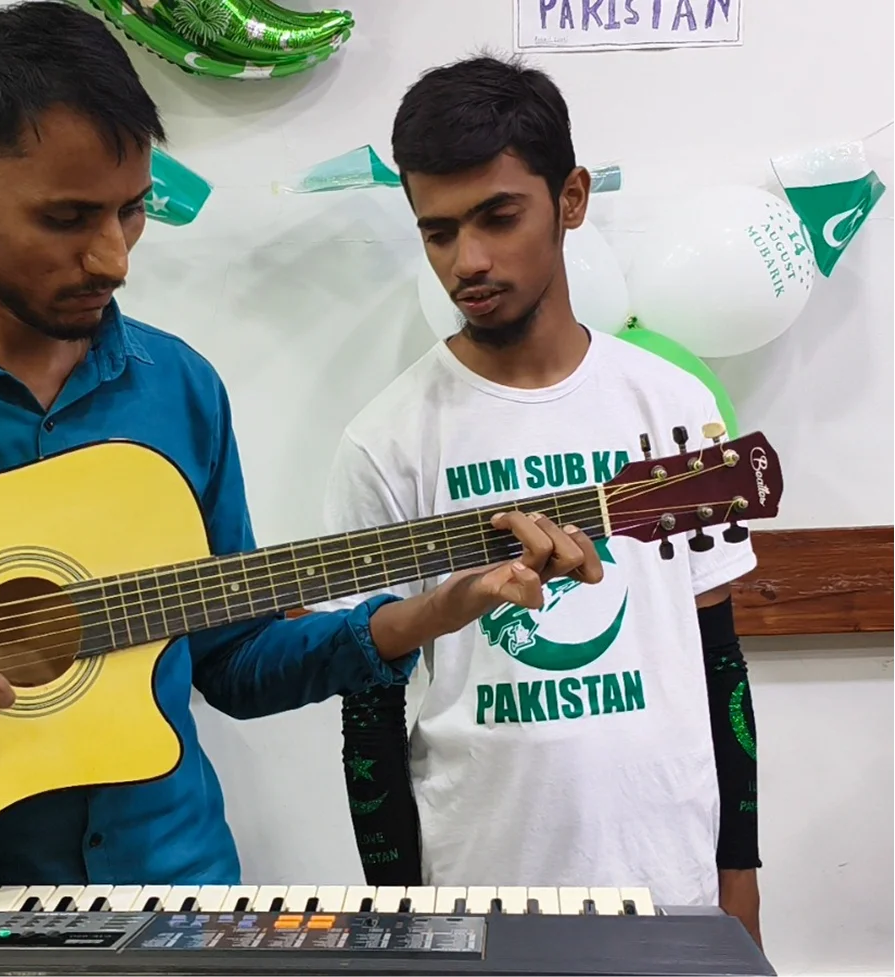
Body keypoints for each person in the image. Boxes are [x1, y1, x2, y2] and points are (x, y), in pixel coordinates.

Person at [0, 4, 603, 889]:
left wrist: (435, 609)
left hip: (167, 887)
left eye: (131, 211)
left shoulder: (179, 389)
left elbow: (232, 662)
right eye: (66, 218)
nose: (113, 258)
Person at [322, 55, 762, 945]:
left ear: (570, 199)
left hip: (668, 878)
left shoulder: (671, 409)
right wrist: (396, 912)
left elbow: (718, 657)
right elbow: (368, 709)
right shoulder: (386, 439)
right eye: (437, 231)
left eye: (498, 217)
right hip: (474, 892)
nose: (468, 261)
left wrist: (739, 873)